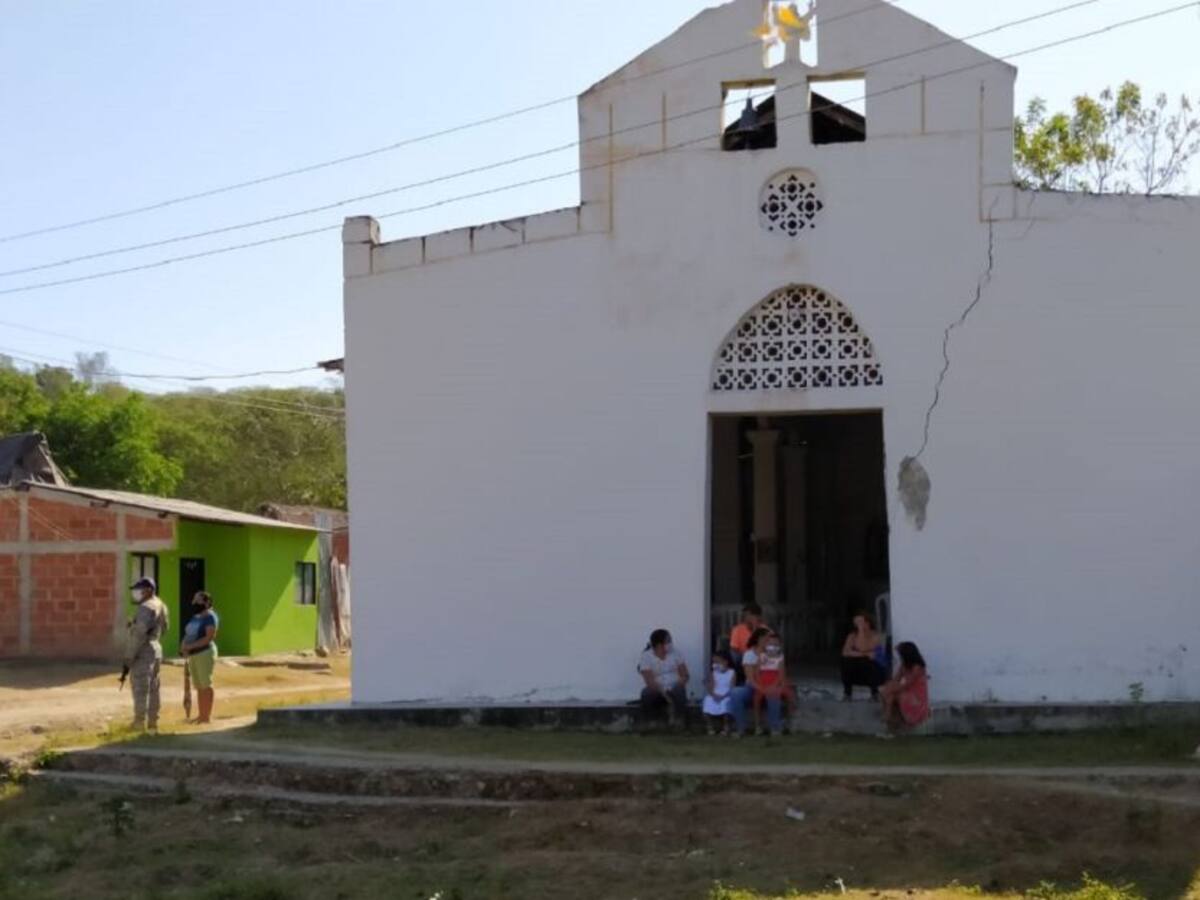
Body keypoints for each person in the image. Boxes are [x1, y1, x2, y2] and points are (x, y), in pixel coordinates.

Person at [124, 577, 168, 733]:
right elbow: (165, 628)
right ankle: (153, 724)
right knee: (154, 688)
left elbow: (139, 634)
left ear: (149, 590)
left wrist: (129, 656)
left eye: (140, 589)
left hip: (143, 650)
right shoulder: (160, 604)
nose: (137, 593)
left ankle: (139, 723)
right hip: (156, 648)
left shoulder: (145, 607)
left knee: (141, 687)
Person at [180, 591, 220, 724]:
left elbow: (209, 637)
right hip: (193, 654)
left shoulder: (210, 617)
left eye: (198, 600)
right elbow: (188, 634)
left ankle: (206, 717)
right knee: (198, 686)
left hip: (205, 653)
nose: (195, 603)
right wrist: (184, 646)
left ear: (207, 602)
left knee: (206, 685)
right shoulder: (195, 617)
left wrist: (190, 646)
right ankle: (201, 715)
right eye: (194, 600)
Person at [637, 629, 689, 726]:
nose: (670, 643)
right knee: (646, 693)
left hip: (674, 686)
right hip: (657, 689)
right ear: (659, 644)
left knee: (680, 691)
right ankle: (651, 722)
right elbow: (649, 681)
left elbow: (685, 674)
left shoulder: (676, 653)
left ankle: (679, 721)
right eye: (668, 641)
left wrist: (682, 681)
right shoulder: (646, 656)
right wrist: (665, 695)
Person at [880, 641, 930, 731]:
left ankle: (888, 719)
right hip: (907, 691)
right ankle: (889, 720)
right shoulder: (904, 665)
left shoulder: (917, 667)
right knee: (889, 694)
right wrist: (889, 686)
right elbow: (896, 679)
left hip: (916, 697)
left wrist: (889, 689)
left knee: (891, 694)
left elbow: (907, 684)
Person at [841, 611, 887, 701]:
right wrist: (865, 654)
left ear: (867, 623)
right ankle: (847, 694)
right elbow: (845, 652)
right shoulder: (852, 636)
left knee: (868, 662)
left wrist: (861, 631)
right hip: (858, 670)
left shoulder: (876, 635)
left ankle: (874, 694)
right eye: (856, 622)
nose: (858, 625)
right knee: (846, 661)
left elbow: (863, 647)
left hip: (875, 671)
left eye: (860, 622)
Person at [752, 632, 787, 736]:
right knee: (756, 699)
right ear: (766, 645)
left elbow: (781, 675)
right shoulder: (761, 656)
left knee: (774, 698)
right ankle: (758, 726)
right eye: (770, 644)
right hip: (762, 683)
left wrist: (773, 686)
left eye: (776, 645)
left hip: (775, 683)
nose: (773, 647)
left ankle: (774, 727)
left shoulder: (780, 658)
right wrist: (762, 686)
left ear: (780, 646)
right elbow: (757, 673)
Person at [702, 650, 736, 735]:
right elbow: (711, 687)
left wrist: (723, 696)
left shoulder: (732, 672)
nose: (716, 664)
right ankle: (710, 727)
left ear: (725, 662)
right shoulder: (714, 673)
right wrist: (713, 694)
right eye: (714, 662)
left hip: (726, 694)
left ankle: (726, 727)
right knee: (707, 701)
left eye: (718, 662)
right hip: (715, 694)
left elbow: (732, 688)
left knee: (726, 703)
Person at [728, 603, 763, 667]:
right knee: (734, 654)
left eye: (749, 615)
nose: (746, 617)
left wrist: (755, 628)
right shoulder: (737, 629)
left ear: (757, 616)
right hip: (742, 658)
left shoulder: (765, 629)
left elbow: (766, 648)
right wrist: (748, 656)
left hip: (761, 658)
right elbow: (734, 649)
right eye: (745, 615)